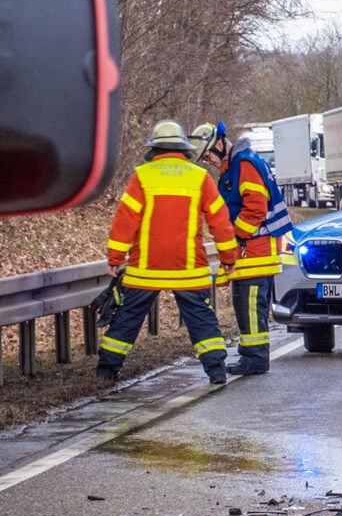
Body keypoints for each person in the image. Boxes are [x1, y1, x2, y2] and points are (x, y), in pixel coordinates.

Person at [96, 121, 239, 385]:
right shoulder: (200, 177)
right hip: (188, 268)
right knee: (200, 318)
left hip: (146, 268)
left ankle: (107, 369)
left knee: (128, 318)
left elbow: (125, 220)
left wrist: (115, 258)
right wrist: (229, 258)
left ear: (154, 148)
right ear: (184, 148)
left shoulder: (142, 176)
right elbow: (220, 221)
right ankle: (216, 368)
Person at [197, 121, 293, 375]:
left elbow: (255, 208)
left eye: (208, 155)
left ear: (220, 143)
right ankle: (252, 356)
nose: (209, 161)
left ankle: (255, 359)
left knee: (250, 307)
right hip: (253, 249)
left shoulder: (244, 164)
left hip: (256, 250)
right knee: (247, 306)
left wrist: (235, 237)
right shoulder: (238, 164)